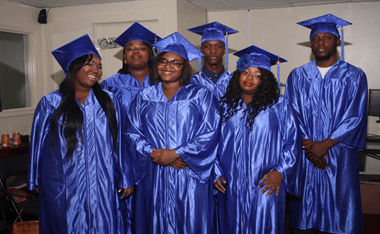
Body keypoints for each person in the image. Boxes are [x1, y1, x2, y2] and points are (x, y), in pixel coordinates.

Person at [27, 34, 131, 233]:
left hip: (103, 180)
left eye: (99, 67)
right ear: (73, 68)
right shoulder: (50, 103)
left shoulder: (109, 101)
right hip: (63, 182)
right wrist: (34, 180)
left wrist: (125, 176)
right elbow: (37, 145)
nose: (96, 71)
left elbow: (120, 141)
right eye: (90, 65)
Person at [125, 32, 220, 233]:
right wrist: (154, 153)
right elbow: (132, 132)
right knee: (154, 221)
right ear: (156, 64)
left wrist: (176, 154)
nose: (168, 66)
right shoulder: (144, 97)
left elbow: (210, 132)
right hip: (154, 172)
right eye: (163, 61)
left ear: (185, 67)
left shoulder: (201, 95)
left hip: (188, 172)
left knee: (191, 222)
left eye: (176, 63)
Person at [285, 14, 368, 234]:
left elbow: (355, 116)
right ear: (311, 43)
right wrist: (309, 144)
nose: (321, 42)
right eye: (316, 38)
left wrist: (325, 144)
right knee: (304, 211)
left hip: (339, 153)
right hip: (306, 153)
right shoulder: (298, 75)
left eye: (327, 37)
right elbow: (291, 113)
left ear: (337, 41)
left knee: (339, 208)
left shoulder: (354, 75)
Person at [213, 45, 302, 234]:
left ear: (265, 80)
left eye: (257, 74)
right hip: (230, 182)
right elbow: (210, 142)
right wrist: (215, 172)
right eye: (245, 72)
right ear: (238, 75)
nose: (249, 78)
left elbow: (292, 142)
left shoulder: (279, 105)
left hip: (265, 182)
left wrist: (280, 171)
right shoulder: (224, 106)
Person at [100, 22, 161, 233]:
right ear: (124, 56)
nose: (136, 52)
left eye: (142, 47)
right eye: (130, 48)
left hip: (156, 159)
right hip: (122, 156)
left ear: (151, 54)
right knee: (126, 214)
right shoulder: (110, 85)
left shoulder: (164, 84)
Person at [188, 21, 238, 100]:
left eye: (218, 46)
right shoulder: (191, 82)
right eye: (207, 46)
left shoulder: (235, 81)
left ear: (224, 51)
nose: (213, 51)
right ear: (201, 50)